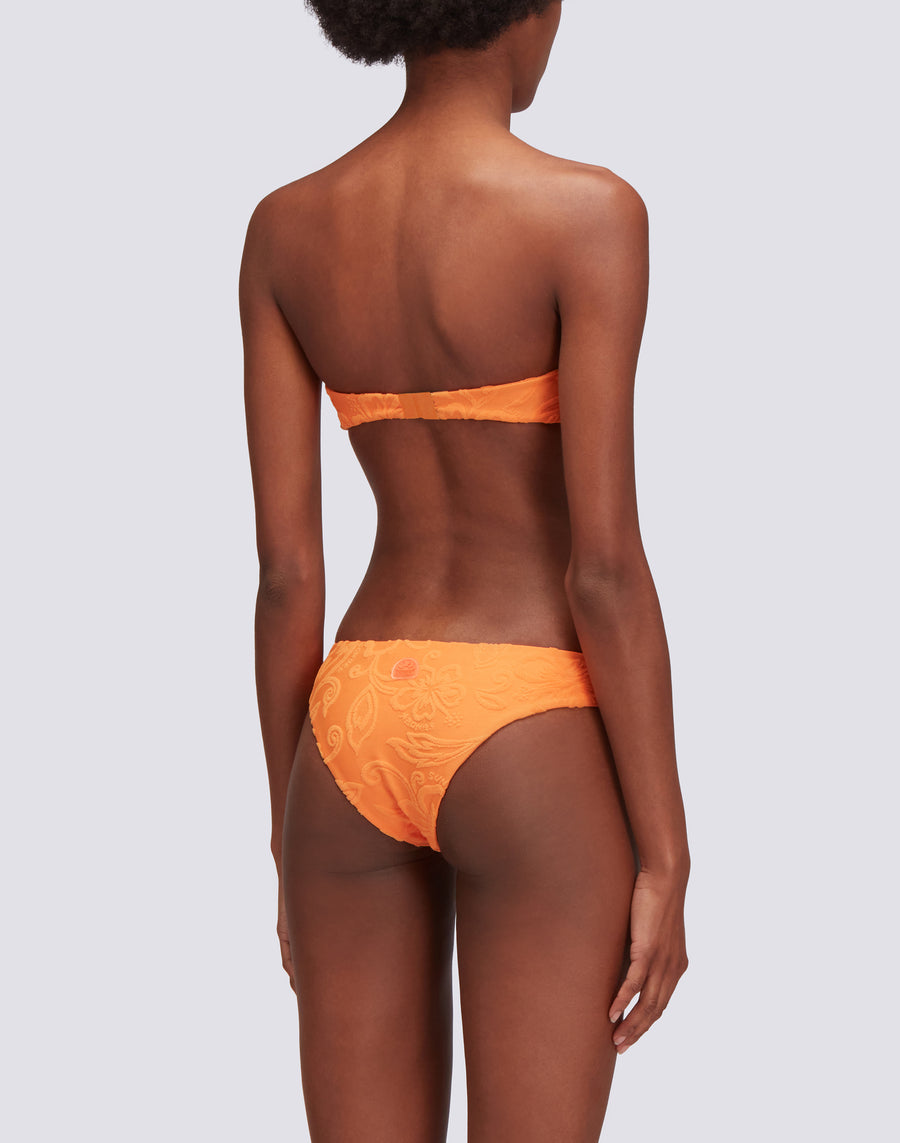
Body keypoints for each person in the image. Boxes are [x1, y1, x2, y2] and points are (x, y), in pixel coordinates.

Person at [240, 1, 690, 1138]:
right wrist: (667, 853)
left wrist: (288, 836)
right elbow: (604, 571)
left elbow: (287, 574)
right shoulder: (588, 215)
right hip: (525, 718)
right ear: (529, 6)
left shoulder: (286, 228)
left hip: (344, 733)